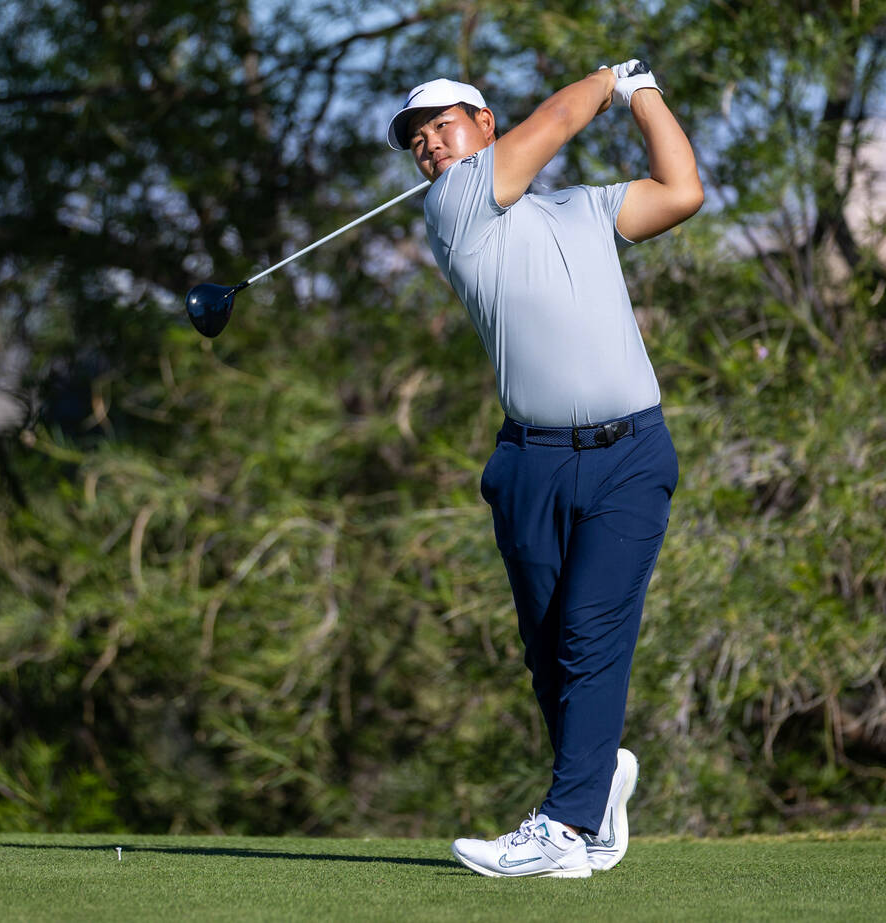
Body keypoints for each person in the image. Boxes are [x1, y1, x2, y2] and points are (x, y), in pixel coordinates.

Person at [385, 60, 703, 878]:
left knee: (592, 634)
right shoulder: (454, 207)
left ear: (486, 124)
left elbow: (681, 191)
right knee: (549, 649)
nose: (429, 150)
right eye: (418, 145)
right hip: (531, 463)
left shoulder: (584, 210)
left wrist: (642, 96)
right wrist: (607, 76)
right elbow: (558, 122)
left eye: (442, 130)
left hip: (630, 454)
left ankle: (562, 827)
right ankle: (594, 799)